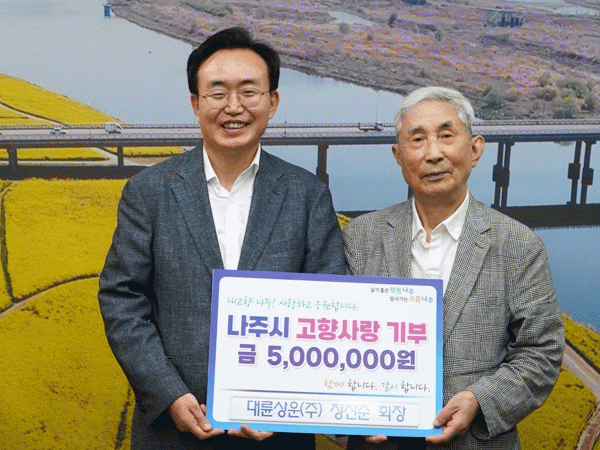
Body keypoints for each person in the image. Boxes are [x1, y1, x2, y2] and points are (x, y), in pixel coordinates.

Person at [98, 27, 345, 450]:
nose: (234, 107)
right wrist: (168, 393)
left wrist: (284, 404)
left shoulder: (307, 194)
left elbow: (330, 306)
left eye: (249, 92)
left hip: (277, 434)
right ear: (196, 104)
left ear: (272, 102)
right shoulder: (149, 192)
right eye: (217, 93)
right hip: (172, 433)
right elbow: (122, 298)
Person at [343, 86, 564, 450]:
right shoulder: (361, 236)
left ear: (474, 149)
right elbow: (335, 341)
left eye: (446, 136)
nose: (433, 154)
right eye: (417, 140)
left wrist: (480, 401)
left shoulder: (518, 245)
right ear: (398, 155)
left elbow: (541, 352)